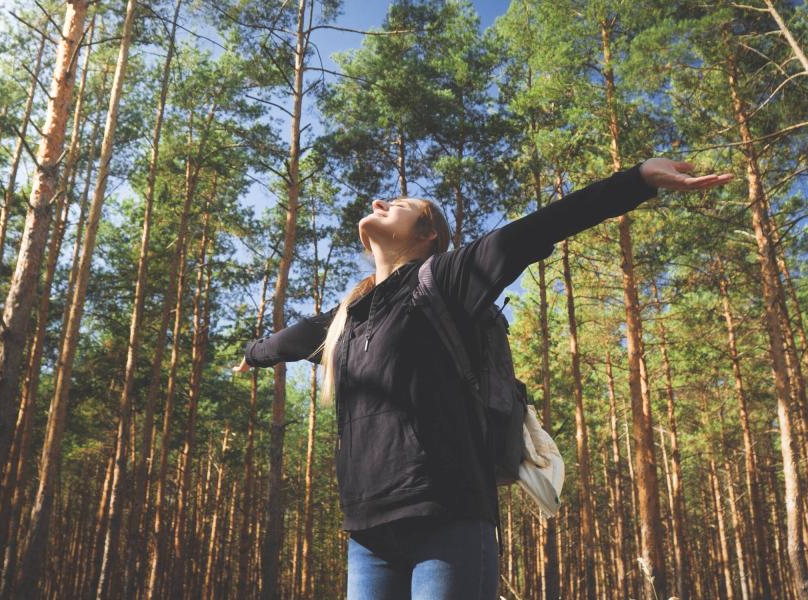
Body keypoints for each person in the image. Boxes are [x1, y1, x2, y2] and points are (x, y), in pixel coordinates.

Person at [233, 158, 732, 600]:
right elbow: (294, 338)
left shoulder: (443, 280)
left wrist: (638, 180)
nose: (381, 201)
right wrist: (253, 356)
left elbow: (538, 229)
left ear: (428, 234)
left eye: (401, 203)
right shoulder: (349, 316)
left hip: (447, 517)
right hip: (367, 531)